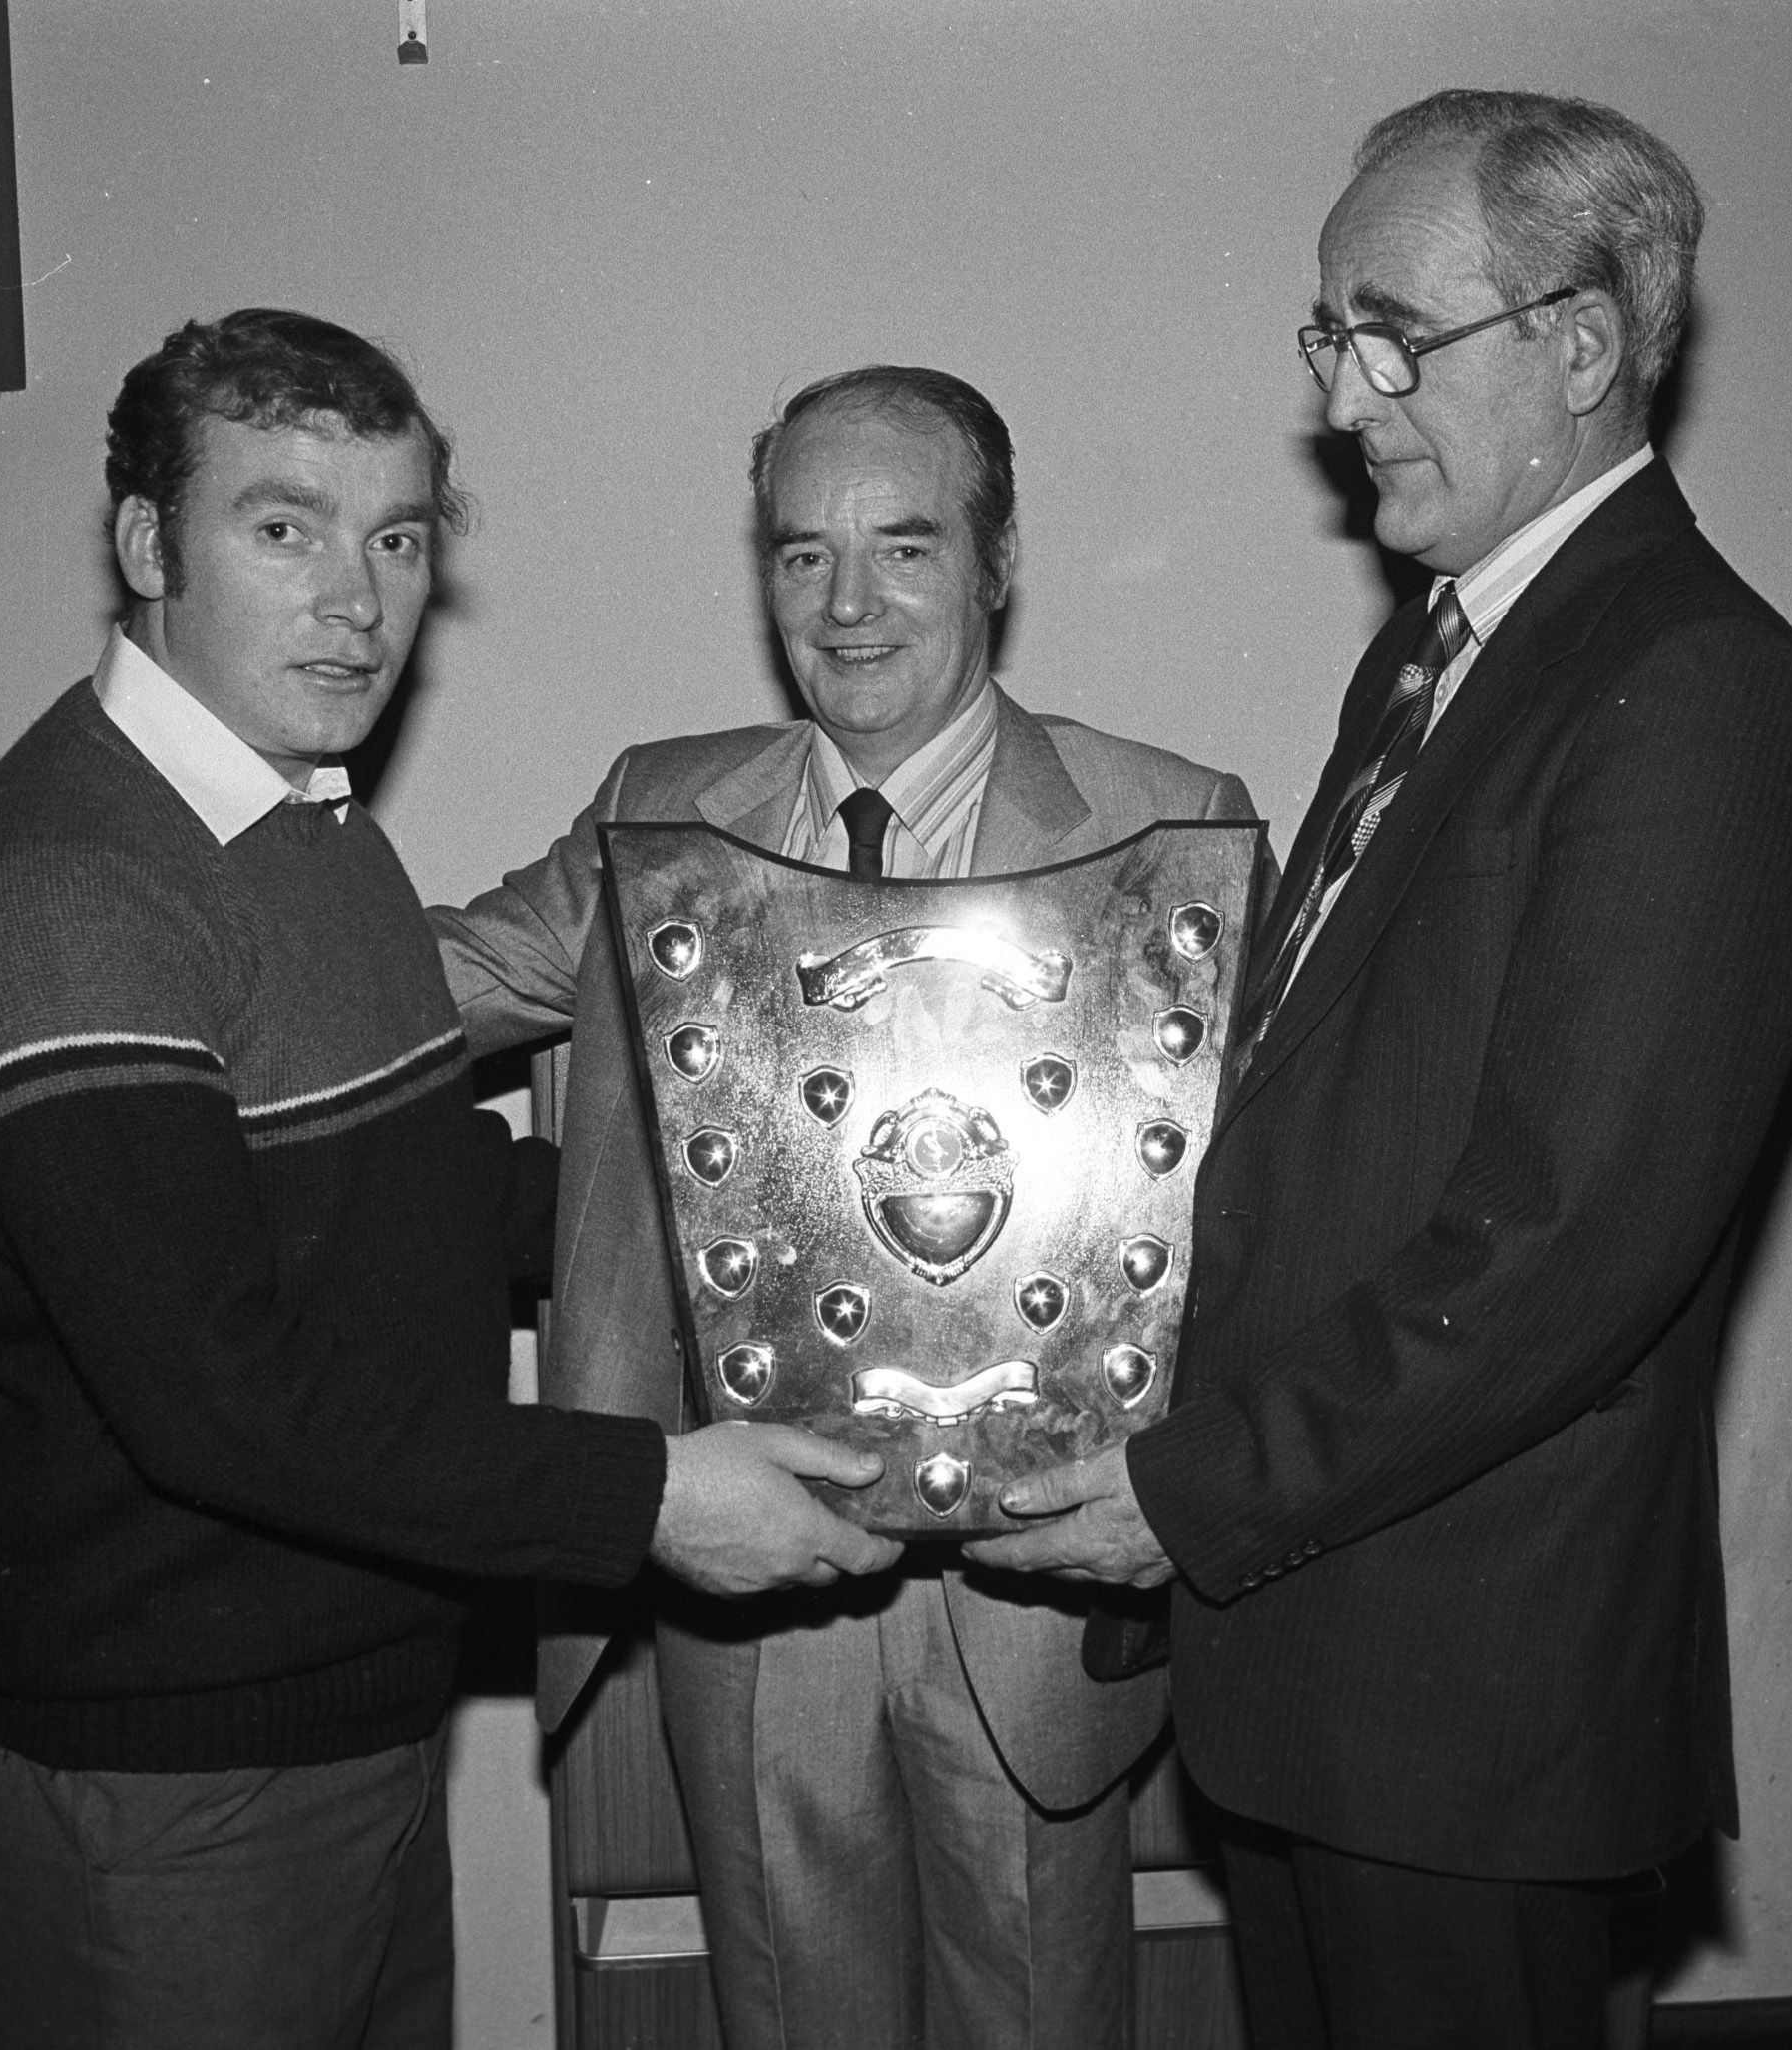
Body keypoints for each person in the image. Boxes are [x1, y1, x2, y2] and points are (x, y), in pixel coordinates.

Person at [0, 307, 894, 2050]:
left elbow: (414, 1195)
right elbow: (221, 1404)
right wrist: (649, 1498)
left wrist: (780, 1217)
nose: (357, 599)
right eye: (284, 528)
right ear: (145, 546)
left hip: (342, 1725)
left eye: (397, 539)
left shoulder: (301, 827)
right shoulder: (67, 895)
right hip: (171, 1792)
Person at [971, 92, 1792, 2045]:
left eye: (1395, 335)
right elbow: (1324, 1111)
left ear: (1584, 342)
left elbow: (1564, 1243)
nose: (1348, 394)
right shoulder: (1443, 655)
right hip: (1326, 1653)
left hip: (1467, 1681)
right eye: (1327, 338)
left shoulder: (1697, 684)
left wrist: (1185, 1491)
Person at [432, 364, 1260, 2050]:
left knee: (1040, 2012)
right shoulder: (654, 812)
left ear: (995, 559)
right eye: (801, 554)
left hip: (1039, 1577)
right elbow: (427, 986)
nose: (849, 602)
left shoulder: (1166, 820)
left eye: (901, 545)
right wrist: (193, 953)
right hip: (758, 1562)